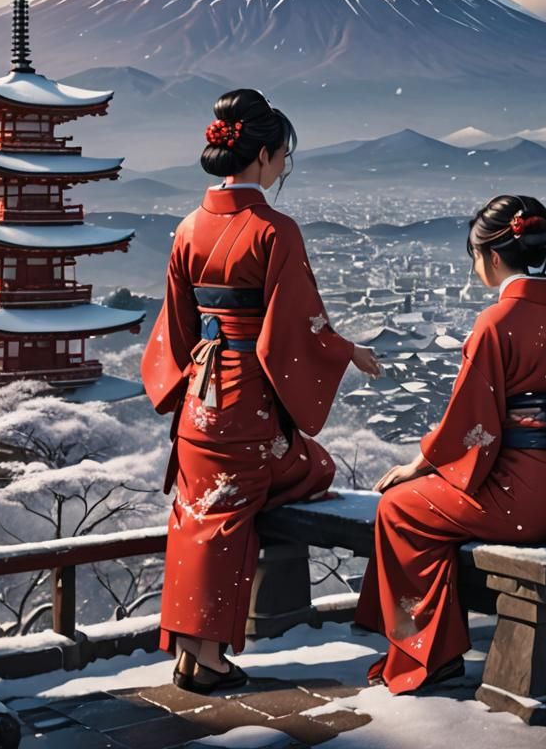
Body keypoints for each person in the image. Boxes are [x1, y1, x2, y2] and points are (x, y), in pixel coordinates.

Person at [141, 88, 381, 695]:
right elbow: (296, 329)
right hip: (247, 401)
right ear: (267, 155)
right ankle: (212, 657)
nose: (281, 169)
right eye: (283, 158)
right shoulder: (275, 229)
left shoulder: (188, 227)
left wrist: (184, 381)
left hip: (199, 397)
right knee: (302, 475)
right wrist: (345, 350)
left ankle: (191, 650)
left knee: (199, 515)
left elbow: (174, 324)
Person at [353, 194, 546, 694]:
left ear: (492, 257)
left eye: (475, 257)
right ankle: (430, 643)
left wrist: (422, 463)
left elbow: (472, 421)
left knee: (399, 508)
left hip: (517, 499)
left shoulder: (496, 323)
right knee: (423, 510)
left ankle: (429, 652)